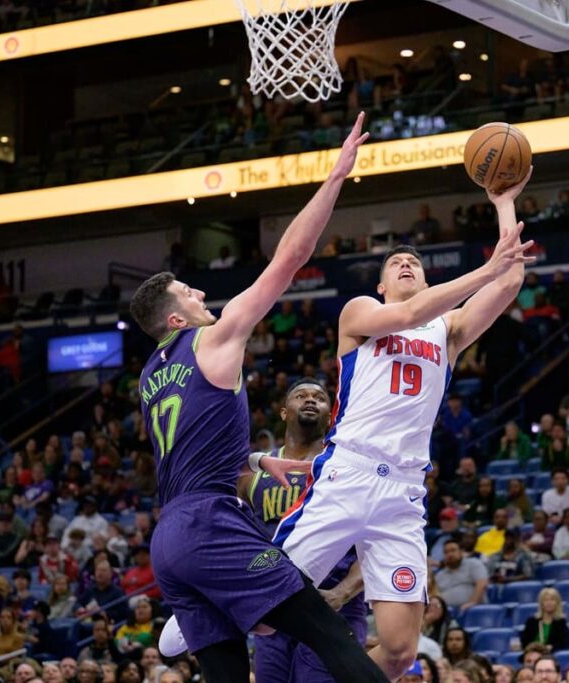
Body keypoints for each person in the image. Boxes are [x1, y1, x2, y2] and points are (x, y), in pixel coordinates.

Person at [133, 115, 390, 683]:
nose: (202, 293)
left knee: (228, 676)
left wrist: (250, 461)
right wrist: (335, 177)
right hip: (208, 524)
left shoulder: (151, 376)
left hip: (168, 539)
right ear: (176, 317)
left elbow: (187, 449)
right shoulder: (214, 337)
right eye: (189, 292)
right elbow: (288, 260)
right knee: (327, 632)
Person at [269, 167, 535, 680]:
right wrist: (481, 272)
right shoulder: (360, 312)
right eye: (396, 262)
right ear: (381, 283)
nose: (406, 263)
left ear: (429, 279)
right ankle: (196, 621)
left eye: (414, 261)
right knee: (261, 607)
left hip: (405, 492)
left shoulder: (449, 329)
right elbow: (407, 315)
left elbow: (511, 281)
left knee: (399, 652)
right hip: (349, 473)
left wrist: (502, 202)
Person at [239, 380, 368, 683]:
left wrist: (342, 592)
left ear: (330, 415)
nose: (311, 400)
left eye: (320, 398)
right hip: (275, 608)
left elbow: (375, 546)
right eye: (301, 396)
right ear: (284, 412)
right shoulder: (252, 475)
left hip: (332, 606)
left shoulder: (350, 467)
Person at [435, 540, 488, 612]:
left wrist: (472, 602)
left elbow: (482, 584)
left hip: (474, 610)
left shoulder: (474, 564)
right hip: (446, 613)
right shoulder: (439, 575)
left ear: (461, 552)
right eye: (446, 552)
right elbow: (435, 595)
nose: (450, 554)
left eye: (453, 550)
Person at [519, 588, 569, 653]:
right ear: (541, 603)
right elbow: (525, 643)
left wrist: (552, 647)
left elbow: (565, 644)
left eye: (552, 600)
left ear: (557, 603)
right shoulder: (531, 622)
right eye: (546, 600)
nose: (549, 603)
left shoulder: (561, 623)